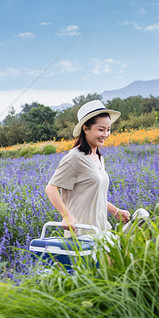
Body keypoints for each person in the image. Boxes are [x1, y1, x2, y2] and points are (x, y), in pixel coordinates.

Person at [45, 100, 131, 236]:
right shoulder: (74, 158)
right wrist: (66, 216)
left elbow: (94, 196)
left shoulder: (98, 158)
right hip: (82, 234)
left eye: (108, 129)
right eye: (101, 129)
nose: (106, 134)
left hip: (101, 230)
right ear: (85, 129)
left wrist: (115, 211)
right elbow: (51, 189)